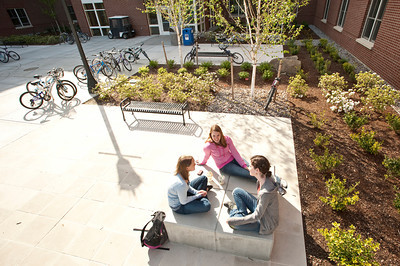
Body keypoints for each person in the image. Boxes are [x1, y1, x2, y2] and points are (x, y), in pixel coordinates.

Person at [225, 155, 279, 234]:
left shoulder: (266, 193)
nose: (248, 167)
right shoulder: (263, 178)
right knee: (237, 191)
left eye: (250, 166)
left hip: (264, 223)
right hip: (259, 207)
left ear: (257, 170)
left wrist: (233, 221)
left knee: (232, 223)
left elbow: (256, 216)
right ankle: (239, 212)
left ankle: (236, 211)